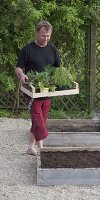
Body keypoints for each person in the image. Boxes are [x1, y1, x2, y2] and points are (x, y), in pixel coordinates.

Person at [15, 20, 61, 155]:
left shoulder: (52, 49)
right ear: (36, 33)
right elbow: (18, 68)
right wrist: (22, 75)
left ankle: (31, 146)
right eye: (43, 35)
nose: (45, 39)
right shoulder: (27, 49)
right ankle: (42, 144)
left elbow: (58, 67)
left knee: (43, 116)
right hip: (32, 90)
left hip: (47, 89)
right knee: (37, 115)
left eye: (48, 36)